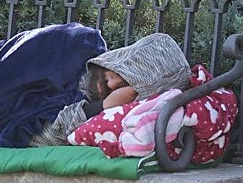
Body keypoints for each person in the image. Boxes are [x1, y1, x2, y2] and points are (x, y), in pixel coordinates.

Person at [27, 33, 192, 148]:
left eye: (128, 85)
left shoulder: (89, 108)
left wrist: (101, 106)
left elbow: (37, 138)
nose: (112, 85)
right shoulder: (81, 43)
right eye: (123, 71)